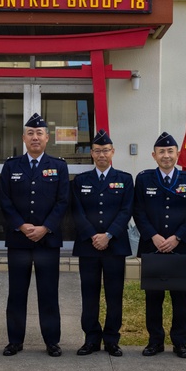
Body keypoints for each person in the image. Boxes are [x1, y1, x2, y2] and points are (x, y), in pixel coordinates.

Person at [0, 113, 70, 357]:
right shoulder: (11, 166)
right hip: (19, 240)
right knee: (17, 292)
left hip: (47, 241)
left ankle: (51, 341)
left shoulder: (59, 166)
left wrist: (45, 227)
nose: (35, 137)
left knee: (48, 292)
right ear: (24, 138)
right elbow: (5, 201)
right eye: (30, 133)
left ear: (47, 138)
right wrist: (21, 225)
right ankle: (14, 341)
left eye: (39, 133)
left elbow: (63, 202)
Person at [133, 132, 186, 358]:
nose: (166, 155)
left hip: (179, 248)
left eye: (170, 151)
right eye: (161, 151)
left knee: (180, 297)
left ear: (177, 154)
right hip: (153, 247)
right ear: (154, 155)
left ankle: (180, 342)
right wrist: (153, 236)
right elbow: (138, 211)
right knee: (154, 298)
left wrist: (177, 237)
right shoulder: (144, 179)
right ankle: (155, 341)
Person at [70, 129, 134, 357]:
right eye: (97, 151)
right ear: (91, 154)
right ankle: (91, 339)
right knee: (89, 294)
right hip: (88, 247)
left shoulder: (125, 180)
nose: (101, 155)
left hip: (114, 246)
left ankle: (112, 340)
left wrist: (108, 235)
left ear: (113, 152)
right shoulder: (80, 181)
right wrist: (92, 235)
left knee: (114, 294)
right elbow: (76, 212)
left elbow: (126, 210)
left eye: (106, 150)